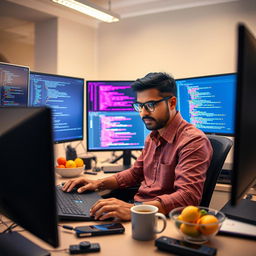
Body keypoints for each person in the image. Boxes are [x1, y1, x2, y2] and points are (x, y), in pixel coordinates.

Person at [62, 72, 213, 221]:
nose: (143, 113)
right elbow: (135, 174)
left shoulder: (193, 141)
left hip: (161, 219)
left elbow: (188, 197)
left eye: (150, 105)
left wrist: (136, 209)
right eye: (139, 106)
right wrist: (97, 184)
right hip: (138, 209)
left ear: (172, 103)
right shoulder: (153, 137)